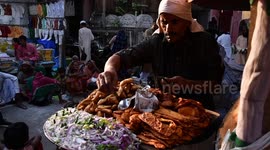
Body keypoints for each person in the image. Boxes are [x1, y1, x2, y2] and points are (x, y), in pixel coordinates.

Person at [97, 0, 223, 111]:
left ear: (186, 22)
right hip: (165, 111)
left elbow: (216, 86)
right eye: (164, 22)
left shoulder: (205, 42)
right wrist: (109, 70)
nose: (168, 29)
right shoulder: (156, 41)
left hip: (200, 111)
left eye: (174, 22)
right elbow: (121, 56)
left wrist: (187, 84)